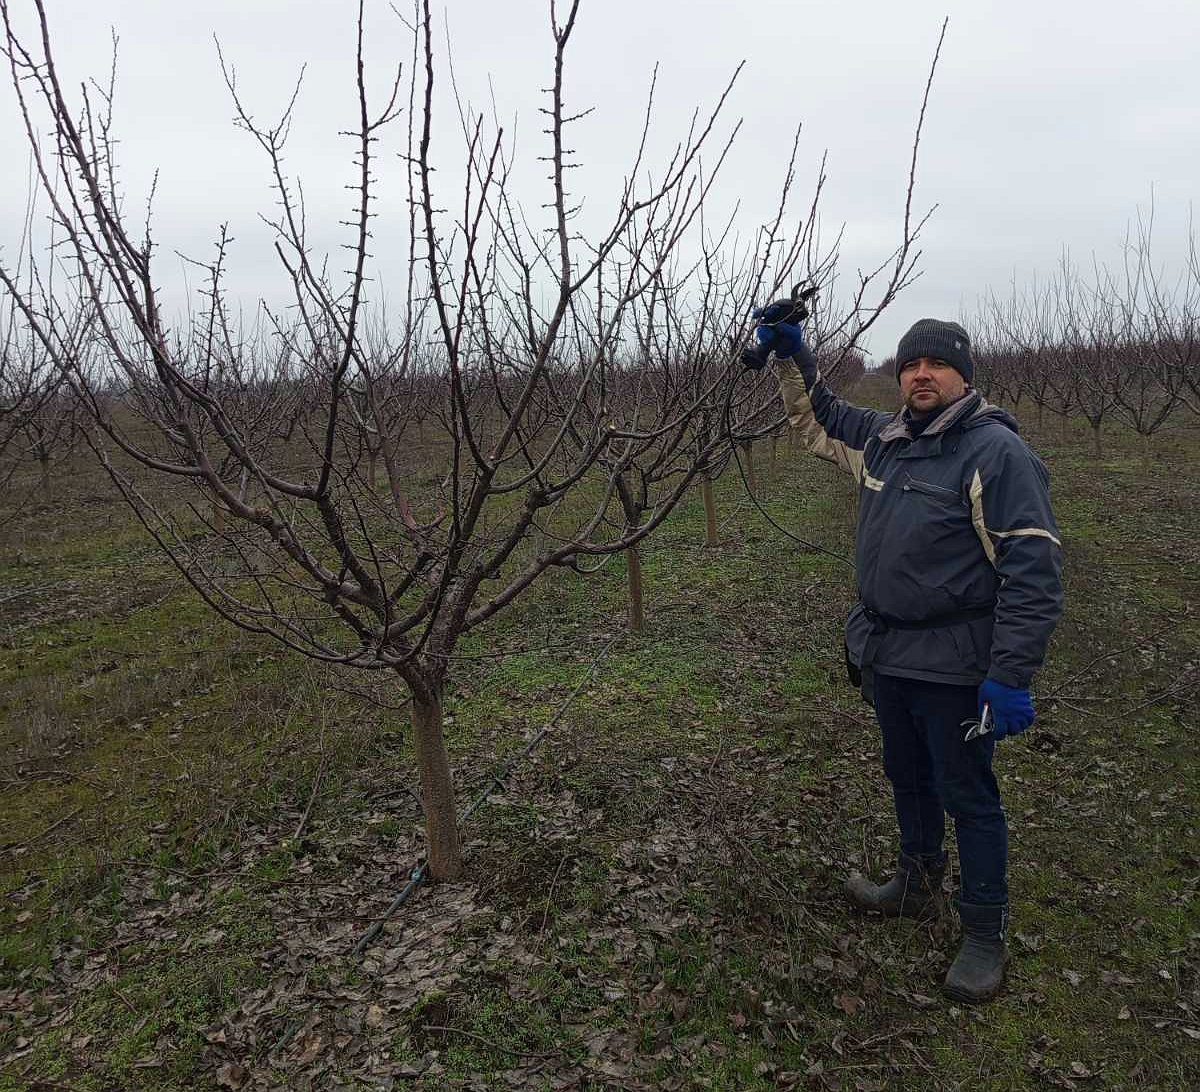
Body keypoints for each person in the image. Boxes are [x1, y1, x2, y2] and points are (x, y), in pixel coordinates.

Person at [752, 315, 1063, 1004]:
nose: (921, 374)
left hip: (955, 664)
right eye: (910, 363)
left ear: (964, 375)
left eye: (936, 364)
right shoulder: (888, 443)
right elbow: (822, 417)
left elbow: (1033, 572)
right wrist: (792, 357)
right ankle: (917, 883)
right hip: (889, 652)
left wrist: (1009, 676)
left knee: (968, 794)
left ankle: (984, 930)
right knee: (907, 776)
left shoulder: (995, 455)